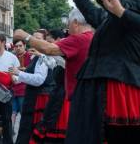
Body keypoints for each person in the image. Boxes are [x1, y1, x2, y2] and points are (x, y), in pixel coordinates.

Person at [62, 0, 140, 144]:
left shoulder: (136, 8)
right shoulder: (118, 15)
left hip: (121, 87)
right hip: (109, 83)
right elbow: (96, 16)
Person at [13, 8, 93, 142]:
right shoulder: (91, 38)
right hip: (78, 96)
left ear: (75, 22)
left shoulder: (79, 39)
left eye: (39, 39)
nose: (67, 28)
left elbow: (48, 50)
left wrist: (26, 36)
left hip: (67, 97)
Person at [11, 38, 56, 144]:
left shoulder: (43, 58)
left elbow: (39, 80)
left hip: (39, 97)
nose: (34, 42)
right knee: (24, 124)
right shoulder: (37, 57)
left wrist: (19, 73)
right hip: (31, 95)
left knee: (33, 128)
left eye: (38, 39)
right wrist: (16, 78)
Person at [11, 39, 32, 136]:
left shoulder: (30, 56)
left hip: (24, 89)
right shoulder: (12, 57)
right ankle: (11, 132)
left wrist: (20, 69)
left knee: (24, 112)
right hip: (13, 88)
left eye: (20, 46)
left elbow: (31, 70)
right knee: (12, 111)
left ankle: (24, 133)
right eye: (16, 46)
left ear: (25, 46)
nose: (18, 48)